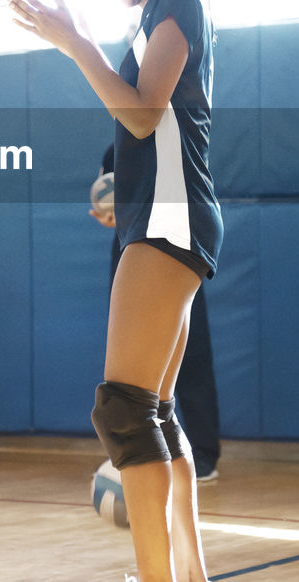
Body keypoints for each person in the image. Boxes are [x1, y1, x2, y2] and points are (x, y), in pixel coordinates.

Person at [10, 0, 229, 582]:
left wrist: (72, 40)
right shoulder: (155, 16)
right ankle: (185, 576)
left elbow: (140, 115)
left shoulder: (179, 4)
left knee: (125, 410)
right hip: (162, 213)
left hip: (169, 215)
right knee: (154, 411)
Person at [93, 144, 221, 482]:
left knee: (190, 360)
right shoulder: (114, 150)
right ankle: (140, 458)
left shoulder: (173, 137)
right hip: (131, 247)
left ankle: (201, 458)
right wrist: (112, 214)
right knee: (133, 369)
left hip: (174, 246)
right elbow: (113, 199)